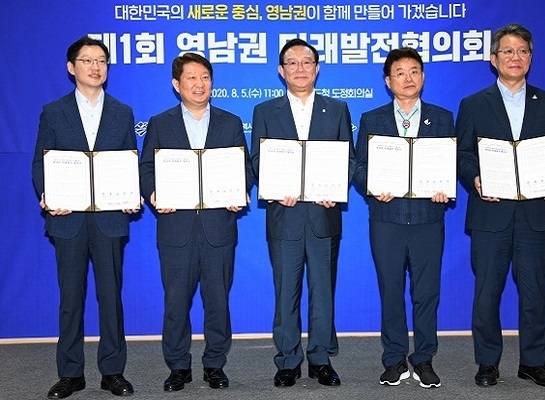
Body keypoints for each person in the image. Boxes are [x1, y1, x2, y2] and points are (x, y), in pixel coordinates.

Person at [456, 23, 545, 388]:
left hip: (535, 214)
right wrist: (475, 178)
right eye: (507, 51)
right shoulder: (473, 103)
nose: (515, 57)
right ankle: (488, 363)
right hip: (490, 214)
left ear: (530, 58)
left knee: (535, 294)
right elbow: (462, 153)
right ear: (493, 59)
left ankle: (533, 363)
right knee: (487, 294)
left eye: (522, 51)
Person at [139, 53, 253, 392]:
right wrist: (154, 193)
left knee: (218, 302)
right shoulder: (160, 123)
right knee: (176, 303)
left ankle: (215, 364)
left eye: (205, 77)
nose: (199, 84)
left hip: (219, 227)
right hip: (177, 229)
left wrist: (240, 190)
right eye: (191, 78)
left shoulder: (230, 122)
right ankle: (178, 366)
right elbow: (146, 168)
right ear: (177, 84)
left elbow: (245, 168)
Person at [32, 36, 138, 399]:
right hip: (68, 219)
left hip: (110, 219)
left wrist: (131, 194)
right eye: (88, 60)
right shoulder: (53, 111)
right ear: (71, 67)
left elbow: (128, 162)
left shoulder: (122, 112)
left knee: (111, 298)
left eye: (101, 61)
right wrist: (49, 196)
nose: (95, 67)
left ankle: (113, 372)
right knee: (70, 299)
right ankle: (70, 374)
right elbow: (41, 163)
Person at [250, 38, 355, 387]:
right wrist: (275, 187)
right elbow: (257, 159)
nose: (300, 68)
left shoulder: (337, 109)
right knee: (286, 293)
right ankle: (287, 360)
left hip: (324, 215)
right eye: (292, 63)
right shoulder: (265, 111)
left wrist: (335, 189)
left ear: (317, 68)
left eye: (306, 62)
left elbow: (348, 158)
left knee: (323, 293)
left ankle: (320, 359)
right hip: (285, 216)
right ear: (281, 71)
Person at [353, 47, 454, 389]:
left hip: (428, 218)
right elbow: (359, 166)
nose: (407, 78)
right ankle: (394, 358)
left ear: (422, 77)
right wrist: (372, 185)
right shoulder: (372, 119)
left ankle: (423, 358)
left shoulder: (442, 118)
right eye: (400, 72)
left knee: (427, 293)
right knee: (391, 291)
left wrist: (444, 187)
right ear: (388, 81)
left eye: (414, 71)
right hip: (387, 218)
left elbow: (450, 162)